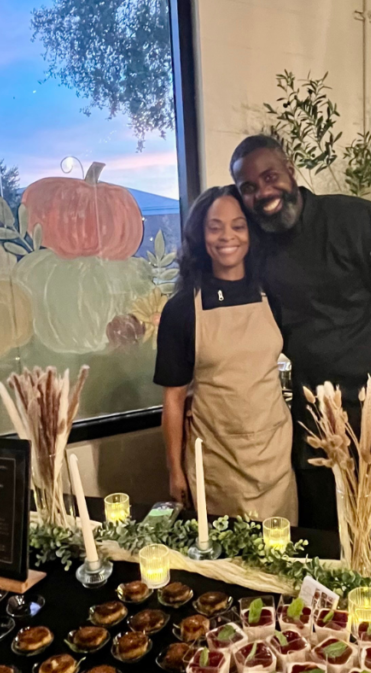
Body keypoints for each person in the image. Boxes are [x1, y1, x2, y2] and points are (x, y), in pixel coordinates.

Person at [230, 135, 371, 539]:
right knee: (324, 535)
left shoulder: (357, 220)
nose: (263, 192)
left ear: (291, 171)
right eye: (249, 187)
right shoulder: (254, 245)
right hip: (315, 418)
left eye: (270, 176)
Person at [154, 185, 297, 523]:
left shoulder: (273, 296)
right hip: (217, 462)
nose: (226, 236)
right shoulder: (182, 309)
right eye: (214, 226)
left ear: (251, 232)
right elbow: (173, 400)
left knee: (283, 563)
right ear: (201, 236)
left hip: (274, 455)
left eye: (238, 225)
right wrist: (175, 470)